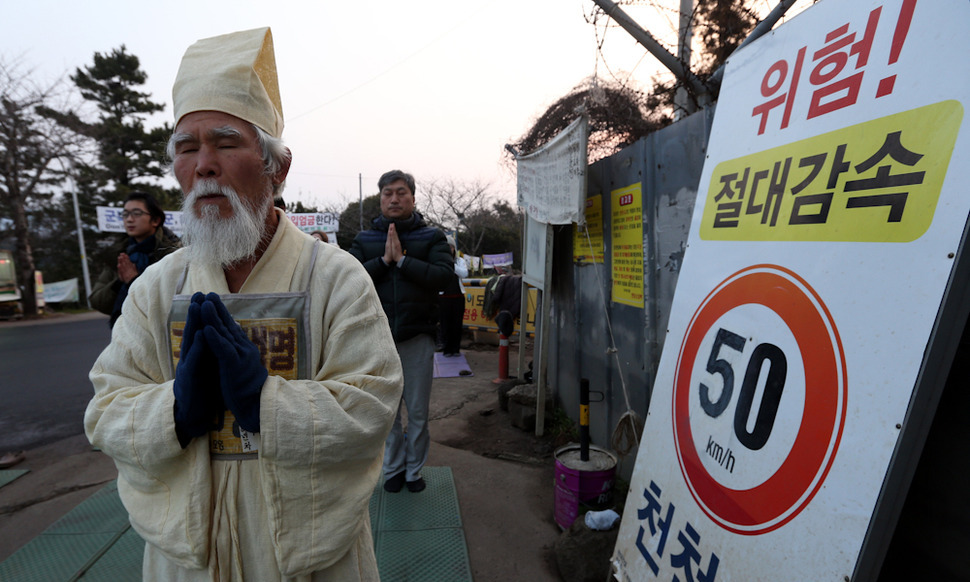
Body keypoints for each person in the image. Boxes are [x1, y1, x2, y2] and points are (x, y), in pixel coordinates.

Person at [84, 27, 403, 581]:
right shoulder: (158, 288)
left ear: (276, 167)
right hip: (191, 558)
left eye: (226, 142)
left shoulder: (335, 278)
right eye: (187, 149)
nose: (204, 164)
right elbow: (106, 411)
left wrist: (264, 403)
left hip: (309, 558)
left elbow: (372, 405)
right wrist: (177, 410)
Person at [349, 170, 453, 493]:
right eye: (387, 194)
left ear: (412, 196)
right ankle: (393, 469)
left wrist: (404, 262)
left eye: (401, 192)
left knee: (418, 411)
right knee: (387, 411)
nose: (394, 199)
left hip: (418, 336)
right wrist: (383, 261)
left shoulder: (431, 237)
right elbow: (351, 280)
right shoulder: (364, 240)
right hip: (376, 339)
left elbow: (442, 277)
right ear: (379, 199)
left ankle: (414, 472)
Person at [89, 192, 180, 327]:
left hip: (165, 330)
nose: (129, 219)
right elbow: (97, 301)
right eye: (125, 214)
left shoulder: (172, 254)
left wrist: (134, 281)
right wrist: (119, 282)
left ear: (155, 220)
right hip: (125, 330)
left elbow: (177, 299)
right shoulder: (119, 254)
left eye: (136, 213)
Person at [437, 234, 468, 356]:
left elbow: (464, 274)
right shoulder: (438, 260)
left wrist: (450, 264)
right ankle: (446, 349)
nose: (449, 249)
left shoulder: (460, 261)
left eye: (451, 247)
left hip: (458, 297)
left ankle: (456, 349)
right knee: (445, 324)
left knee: (457, 324)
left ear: (454, 248)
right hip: (443, 297)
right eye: (446, 247)